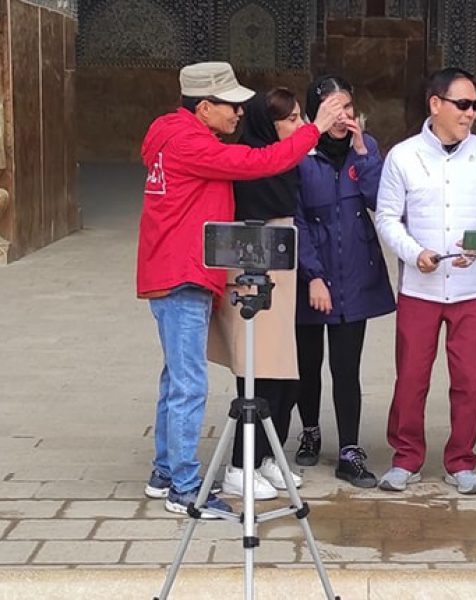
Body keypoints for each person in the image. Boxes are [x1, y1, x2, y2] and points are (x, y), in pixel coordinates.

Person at [137, 62, 341, 516]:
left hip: (172, 271)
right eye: (231, 105)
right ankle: (185, 489)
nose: (240, 113)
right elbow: (259, 162)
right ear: (204, 107)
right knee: (189, 385)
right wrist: (315, 130)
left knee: (175, 378)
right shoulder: (192, 143)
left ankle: (164, 472)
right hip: (183, 273)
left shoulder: (169, 133)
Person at [375, 67, 476, 495]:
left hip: (473, 289)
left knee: (470, 378)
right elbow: (386, 217)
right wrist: (415, 253)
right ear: (436, 104)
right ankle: (406, 457)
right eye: (463, 105)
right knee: (412, 376)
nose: (471, 114)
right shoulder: (403, 156)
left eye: (475, 105)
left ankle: (461, 460)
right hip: (421, 287)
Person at [292, 75, 396, 488]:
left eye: (348, 108)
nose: (343, 117)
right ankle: (311, 429)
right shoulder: (300, 153)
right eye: (334, 109)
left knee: (346, 366)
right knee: (307, 363)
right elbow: (295, 219)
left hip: (355, 273)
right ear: (316, 112)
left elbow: (381, 201)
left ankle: (350, 449)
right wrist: (313, 276)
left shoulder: (365, 150)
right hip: (312, 276)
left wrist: (361, 151)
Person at [207, 88, 307, 500]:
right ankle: (238, 466)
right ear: (270, 124)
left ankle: (267, 456)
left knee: (282, 371)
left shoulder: (286, 163)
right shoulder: (248, 161)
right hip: (252, 272)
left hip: (282, 271)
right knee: (256, 372)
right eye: (293, 120)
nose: (300, 128)